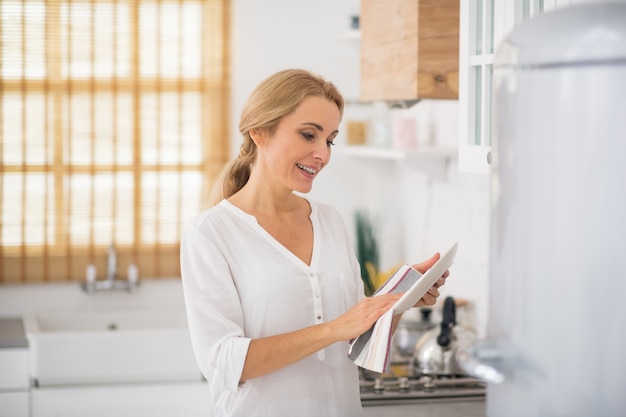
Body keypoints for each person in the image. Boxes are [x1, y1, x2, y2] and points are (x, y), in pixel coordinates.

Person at [180, 68, 449, 417]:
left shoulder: (329, 221)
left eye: (330, 140)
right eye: (309, 135)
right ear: (259, 132)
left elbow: (357, 342)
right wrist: (333, 329)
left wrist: (397, 299)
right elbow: (223, 362)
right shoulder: (211, 233)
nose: (323, 154)